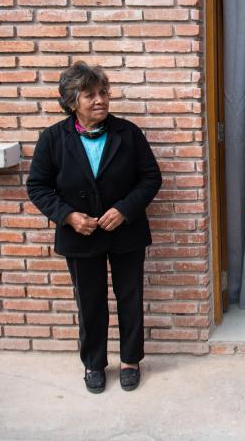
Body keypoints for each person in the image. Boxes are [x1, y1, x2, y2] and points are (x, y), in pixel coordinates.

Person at [27, 61, 161, 394]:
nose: (100, 100)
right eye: (90, 95)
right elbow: (38, 186)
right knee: (90, 302)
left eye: (103, 92)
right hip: (79, 236)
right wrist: (69, 216)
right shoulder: (53, 139)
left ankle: (130, 361)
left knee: (130, 297)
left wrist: (125, 209)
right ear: (72, 102)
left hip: (126, 233)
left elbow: (151, 178)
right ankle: (94, 363)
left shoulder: (127, 133)